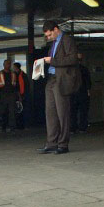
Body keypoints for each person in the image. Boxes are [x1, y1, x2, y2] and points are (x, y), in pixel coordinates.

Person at [37, 19, 80, 154]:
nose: (48, 38)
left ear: (56, 29)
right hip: (51, 79)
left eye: (49, 35)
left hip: (62, 80)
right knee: (50, 113)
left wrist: (52, 61)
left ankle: (63, 144)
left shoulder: (67, 40)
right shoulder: (54, 43)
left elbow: (73, 59)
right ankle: (51, 143)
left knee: (63, 113)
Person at [0, 59, 19, 132]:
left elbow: (16, 87)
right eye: (7, 64)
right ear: (3, 65)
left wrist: (18, 96)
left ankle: (12, 127)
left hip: (11, 95)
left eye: (9, 64)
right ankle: (3, 126)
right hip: (2, 95)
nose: (8, 65)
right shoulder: (0, 74)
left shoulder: (13, 74)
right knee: (3, 112)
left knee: (12, 112)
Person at [71, 52, 91, 133]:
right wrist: (88, 91)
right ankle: (82, 128)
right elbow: (88, 81)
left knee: (73, 112)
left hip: (73, 93)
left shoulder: (70, 70)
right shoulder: (85, 69)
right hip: (83, 93)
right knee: (83, 112)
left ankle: (72, 128)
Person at [12, 62, 27, 129]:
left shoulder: (17, 75)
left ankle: (20, 125)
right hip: (20, 95)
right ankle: (20, 125)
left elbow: (16, 86)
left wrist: (20, 96)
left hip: (19, 95)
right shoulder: (23, 74)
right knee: (20, 110)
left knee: (19, 110)